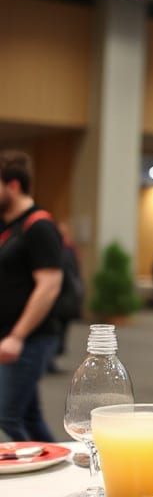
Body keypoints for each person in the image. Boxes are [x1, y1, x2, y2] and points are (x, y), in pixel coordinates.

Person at [0, 150, 64, 441]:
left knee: (7, 416)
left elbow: (49, 285)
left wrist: (17, 336)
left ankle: (39, 468)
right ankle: (58, 463)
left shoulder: (39, 227)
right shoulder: (9, 226)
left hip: (29, 338)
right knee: (28, 417)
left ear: (13, 185)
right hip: (10, 335)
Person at [49, 221, 84, 374]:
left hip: (65, 296)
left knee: (61, 329)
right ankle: (50, 359)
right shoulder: (61, 250)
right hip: (61, 296)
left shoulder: (68, 250)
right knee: (57, 329)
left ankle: (52, 358)